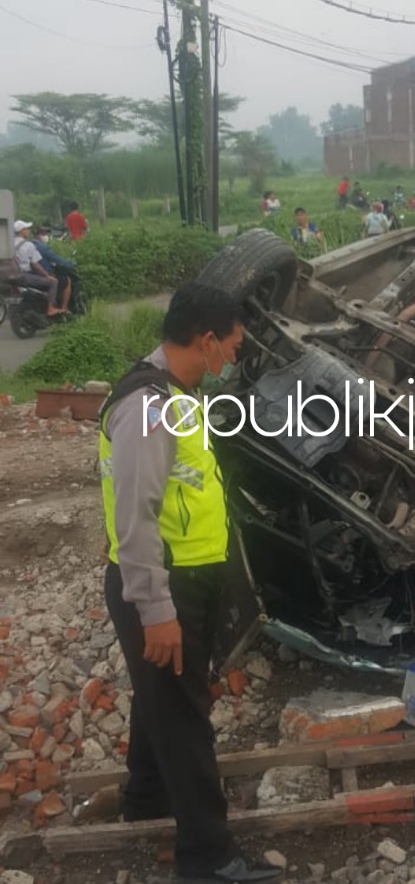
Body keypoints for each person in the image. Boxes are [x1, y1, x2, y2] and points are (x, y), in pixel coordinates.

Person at [99, 284, 281, 884]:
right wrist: (156, 609)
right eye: (231, 344)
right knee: (185, 717)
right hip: (163, 586)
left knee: (163, 697)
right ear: (205, 340)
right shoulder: (149, 409)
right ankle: (207, 858)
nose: (234, 354)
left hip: (182, 579)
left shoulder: (174, 392)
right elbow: (135, 518)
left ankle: (146, 796)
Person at [13, 220, 62, 316]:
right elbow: (35, 264)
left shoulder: (8, 244)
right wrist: (47, 276)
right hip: (24, 276)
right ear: (22, 231)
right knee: (53, 282)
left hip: (13, 275)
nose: (28, 231)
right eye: (26, 229)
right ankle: (50, 308)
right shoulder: (29, 245)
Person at [33, 225, 73, 313]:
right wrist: (70, 264)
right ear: (38, 235)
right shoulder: (42, 247)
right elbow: (54, 258)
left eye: (46, 233)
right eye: (44, 234)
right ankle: (64, 308)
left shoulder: (30, 244)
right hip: (42, 275)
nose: (46, 236)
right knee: (67, 280)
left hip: (31, 275)